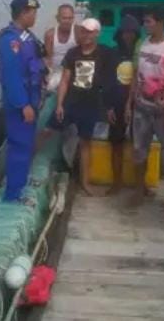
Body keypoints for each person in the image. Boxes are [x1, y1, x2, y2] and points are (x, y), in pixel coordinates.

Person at [126, 7, 164, 216]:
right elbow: (136, 75)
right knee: (139, 151)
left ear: (160, 23)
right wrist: (129, 104)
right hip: (142, 108)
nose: (145, 25)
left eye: (149, 22)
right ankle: (139, 190)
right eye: (145, 22)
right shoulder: (142, 44)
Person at [48, 18, 114, 196]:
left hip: (90, 104)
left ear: (97, 33)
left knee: (86, 143)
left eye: (90, 32)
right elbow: (65, 80)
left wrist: (109, 106)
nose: (86, 35)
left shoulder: (105, 53)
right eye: (84, 31)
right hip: (71, 101)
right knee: (47, 131)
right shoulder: (72, 53)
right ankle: (30, 164)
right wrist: (60, 104)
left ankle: (85, 183)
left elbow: (109, 81)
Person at [0, 0, 46, 202]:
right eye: (33, 13)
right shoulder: (10, 40)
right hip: (20, 103)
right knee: (19, 145)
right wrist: (23, 104)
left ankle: (22, 181)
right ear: (24, 13)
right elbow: (11, 77)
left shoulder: (26, 36)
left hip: (32, 97)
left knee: (27, 144)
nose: (35, 17)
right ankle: (13, 194)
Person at [106, 15, 141, 195]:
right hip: (117, 102)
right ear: (119, 34)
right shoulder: (112, 53)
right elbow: (107, 82)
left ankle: (140, 184)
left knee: (139, 144)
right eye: (125, 32)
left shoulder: (141, 53)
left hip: (139, 103)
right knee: (116, 144)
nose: (128, 36)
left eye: (132, 32)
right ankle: (116, 182)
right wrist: (108, 107)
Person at [44, 4, 79, 91]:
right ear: (57, 18)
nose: (67, 21)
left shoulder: (78, 31)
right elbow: (48, 58)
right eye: (64, 18)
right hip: (57, 71)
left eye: (70, 18)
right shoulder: (50, 34)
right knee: (49, 87)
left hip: (75, 70)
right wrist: (47, 75)